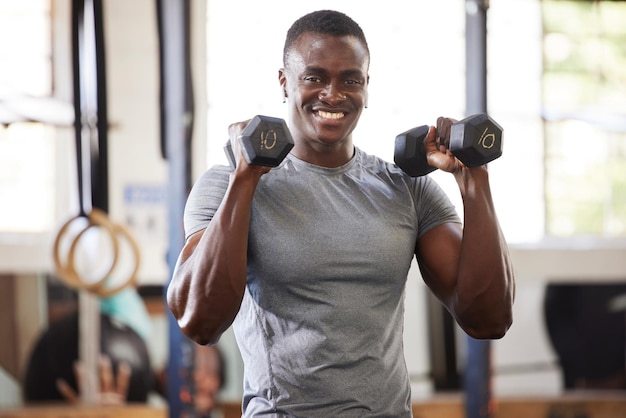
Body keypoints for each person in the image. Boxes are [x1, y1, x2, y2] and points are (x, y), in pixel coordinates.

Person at [167, 9, 515, 417]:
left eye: (350, 79)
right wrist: (246, 177)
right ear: (284, 82)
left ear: (367, 86)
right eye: (314, 78)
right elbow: (198, 321)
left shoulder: (407, 188)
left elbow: (488, 319)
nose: (333, 94)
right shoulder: (227, 183)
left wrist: (473, 178)